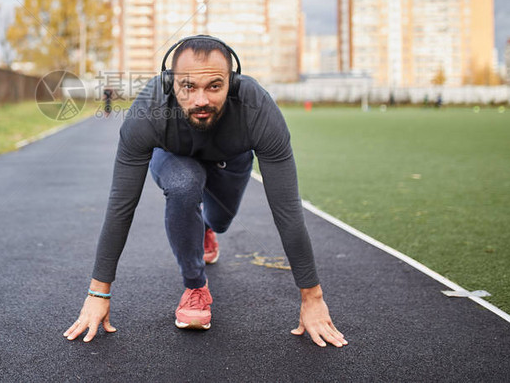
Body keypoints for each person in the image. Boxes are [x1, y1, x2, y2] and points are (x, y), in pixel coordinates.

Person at [64, 35, 347, 347]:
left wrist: (312, 297)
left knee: (222, 220)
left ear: (231, 82)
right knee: (184, 186)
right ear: (171, 84)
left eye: (214, 86)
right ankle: (195, 287)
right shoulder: (148, 110)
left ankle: (207, 228)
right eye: (188, 86)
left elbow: (287, 209)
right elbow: (120, 206)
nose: (201, 100)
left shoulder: (256, 108)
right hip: (175, 158)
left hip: (232, 160)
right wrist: (98, 293)